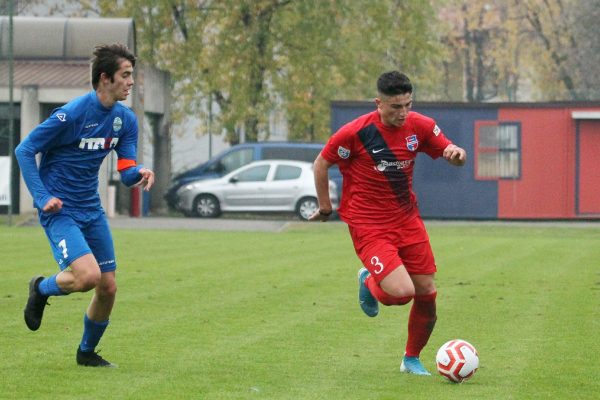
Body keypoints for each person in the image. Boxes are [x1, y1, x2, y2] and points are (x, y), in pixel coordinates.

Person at [309, 71, 466, 375]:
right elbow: (321, 163)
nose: (402, 112)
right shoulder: (355, 133)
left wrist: (456, 154)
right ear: (378, 103)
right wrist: (326, 207)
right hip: (369, 225)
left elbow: (452, 153)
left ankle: (411, 359)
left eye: (407, 104)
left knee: (427, 292)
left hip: (407, 221)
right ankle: (368, 279)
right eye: (395, 107)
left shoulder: (419, 126)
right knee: (400, 293)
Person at [15, 43, 154, 367]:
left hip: (91, 210)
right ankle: (41, 288)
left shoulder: (124, 120)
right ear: (105, 78)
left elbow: (125, 172)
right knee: (88, 276)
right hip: (59, 210)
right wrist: (41, 196)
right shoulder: (72, 114)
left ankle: (86, 353)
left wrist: (140, 174)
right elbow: (25, 149)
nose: (131, 82)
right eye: (126, 75)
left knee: (108, 287)